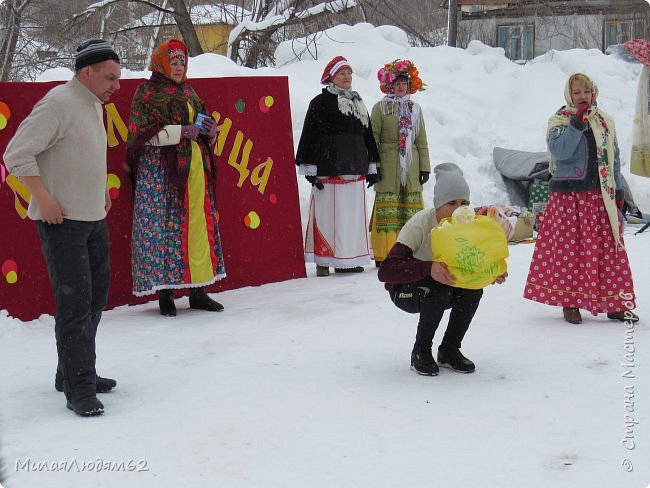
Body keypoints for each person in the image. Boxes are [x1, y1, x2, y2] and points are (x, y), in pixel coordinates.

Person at [3, 39, 121, 416]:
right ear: (87, 73)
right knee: (75, 305)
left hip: (93, 219)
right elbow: (15, 153)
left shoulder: (92, 105)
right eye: (110, 77)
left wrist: (100, 187)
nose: (116, 86)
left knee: (94, 300)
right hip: (63, 223)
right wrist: (44, 198)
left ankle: (69, 373)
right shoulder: (58, 102)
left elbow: (82, 153)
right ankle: (79, 388)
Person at [524, 73, 639, 324]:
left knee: (610, 250)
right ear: (569, 95)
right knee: (571, 250)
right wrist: (576, 123)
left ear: (593, 92)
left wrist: (618, 194)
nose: (582, 96)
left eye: (586, 91)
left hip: (600, 197)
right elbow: (560, 151)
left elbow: (614, 159)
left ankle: (615, 303)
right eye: (577, 93)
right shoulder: (559, 121)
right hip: (569, 198)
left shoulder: (604, 121)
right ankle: (570, 302)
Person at [126, 39, 226, 316]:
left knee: (195, 225)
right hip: (161, 172)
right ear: (160, 62)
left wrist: (210, 131)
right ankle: (165, 294)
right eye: (173, 61)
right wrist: (179, 132)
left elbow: (202, 126)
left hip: (194, 169)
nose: (179, 67)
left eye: (182, 61)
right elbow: (138, 134)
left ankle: (198, 290)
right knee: (164, 228)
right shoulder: (146, 92)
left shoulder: (190, 92)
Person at [378, 163, 507, 376]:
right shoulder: (420, 224)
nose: (459, 208)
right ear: (438, 204)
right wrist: (429, 268)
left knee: (472, 289)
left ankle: (449, 350)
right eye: (452, 203)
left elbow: (473, 261)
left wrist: (490, 271)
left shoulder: (468, 226)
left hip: (441, 286)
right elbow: (386, 271)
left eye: (464, 203)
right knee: (438, 287)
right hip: (404, 291)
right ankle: (420, 352)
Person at [295, 55, 381, 276]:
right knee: (327, 217)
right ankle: (323, 260)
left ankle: (348, 260)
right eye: (342, 73)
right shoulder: (320, 103)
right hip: (328, 168)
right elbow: (310, 135)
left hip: (354, 168)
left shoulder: (357, 102)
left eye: (349, 73)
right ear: (332, 77)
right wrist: (310, 168)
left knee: (351, 218)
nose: (347, 77)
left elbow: (367, 134)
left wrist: (372, 163)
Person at [370, 59, 430, 265]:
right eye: (396, 83)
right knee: (389, 210)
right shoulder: (380, 108)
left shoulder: (415, 109)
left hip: (410, 167)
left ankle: (411, 251)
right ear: (389, 85)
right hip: (388, 164)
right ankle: (384, 253)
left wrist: (424, 168)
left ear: (409, 85)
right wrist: (373, 166)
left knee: (410, 212)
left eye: (404, 83)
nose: (400, 87)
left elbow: (421, 140)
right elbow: (373, 138)